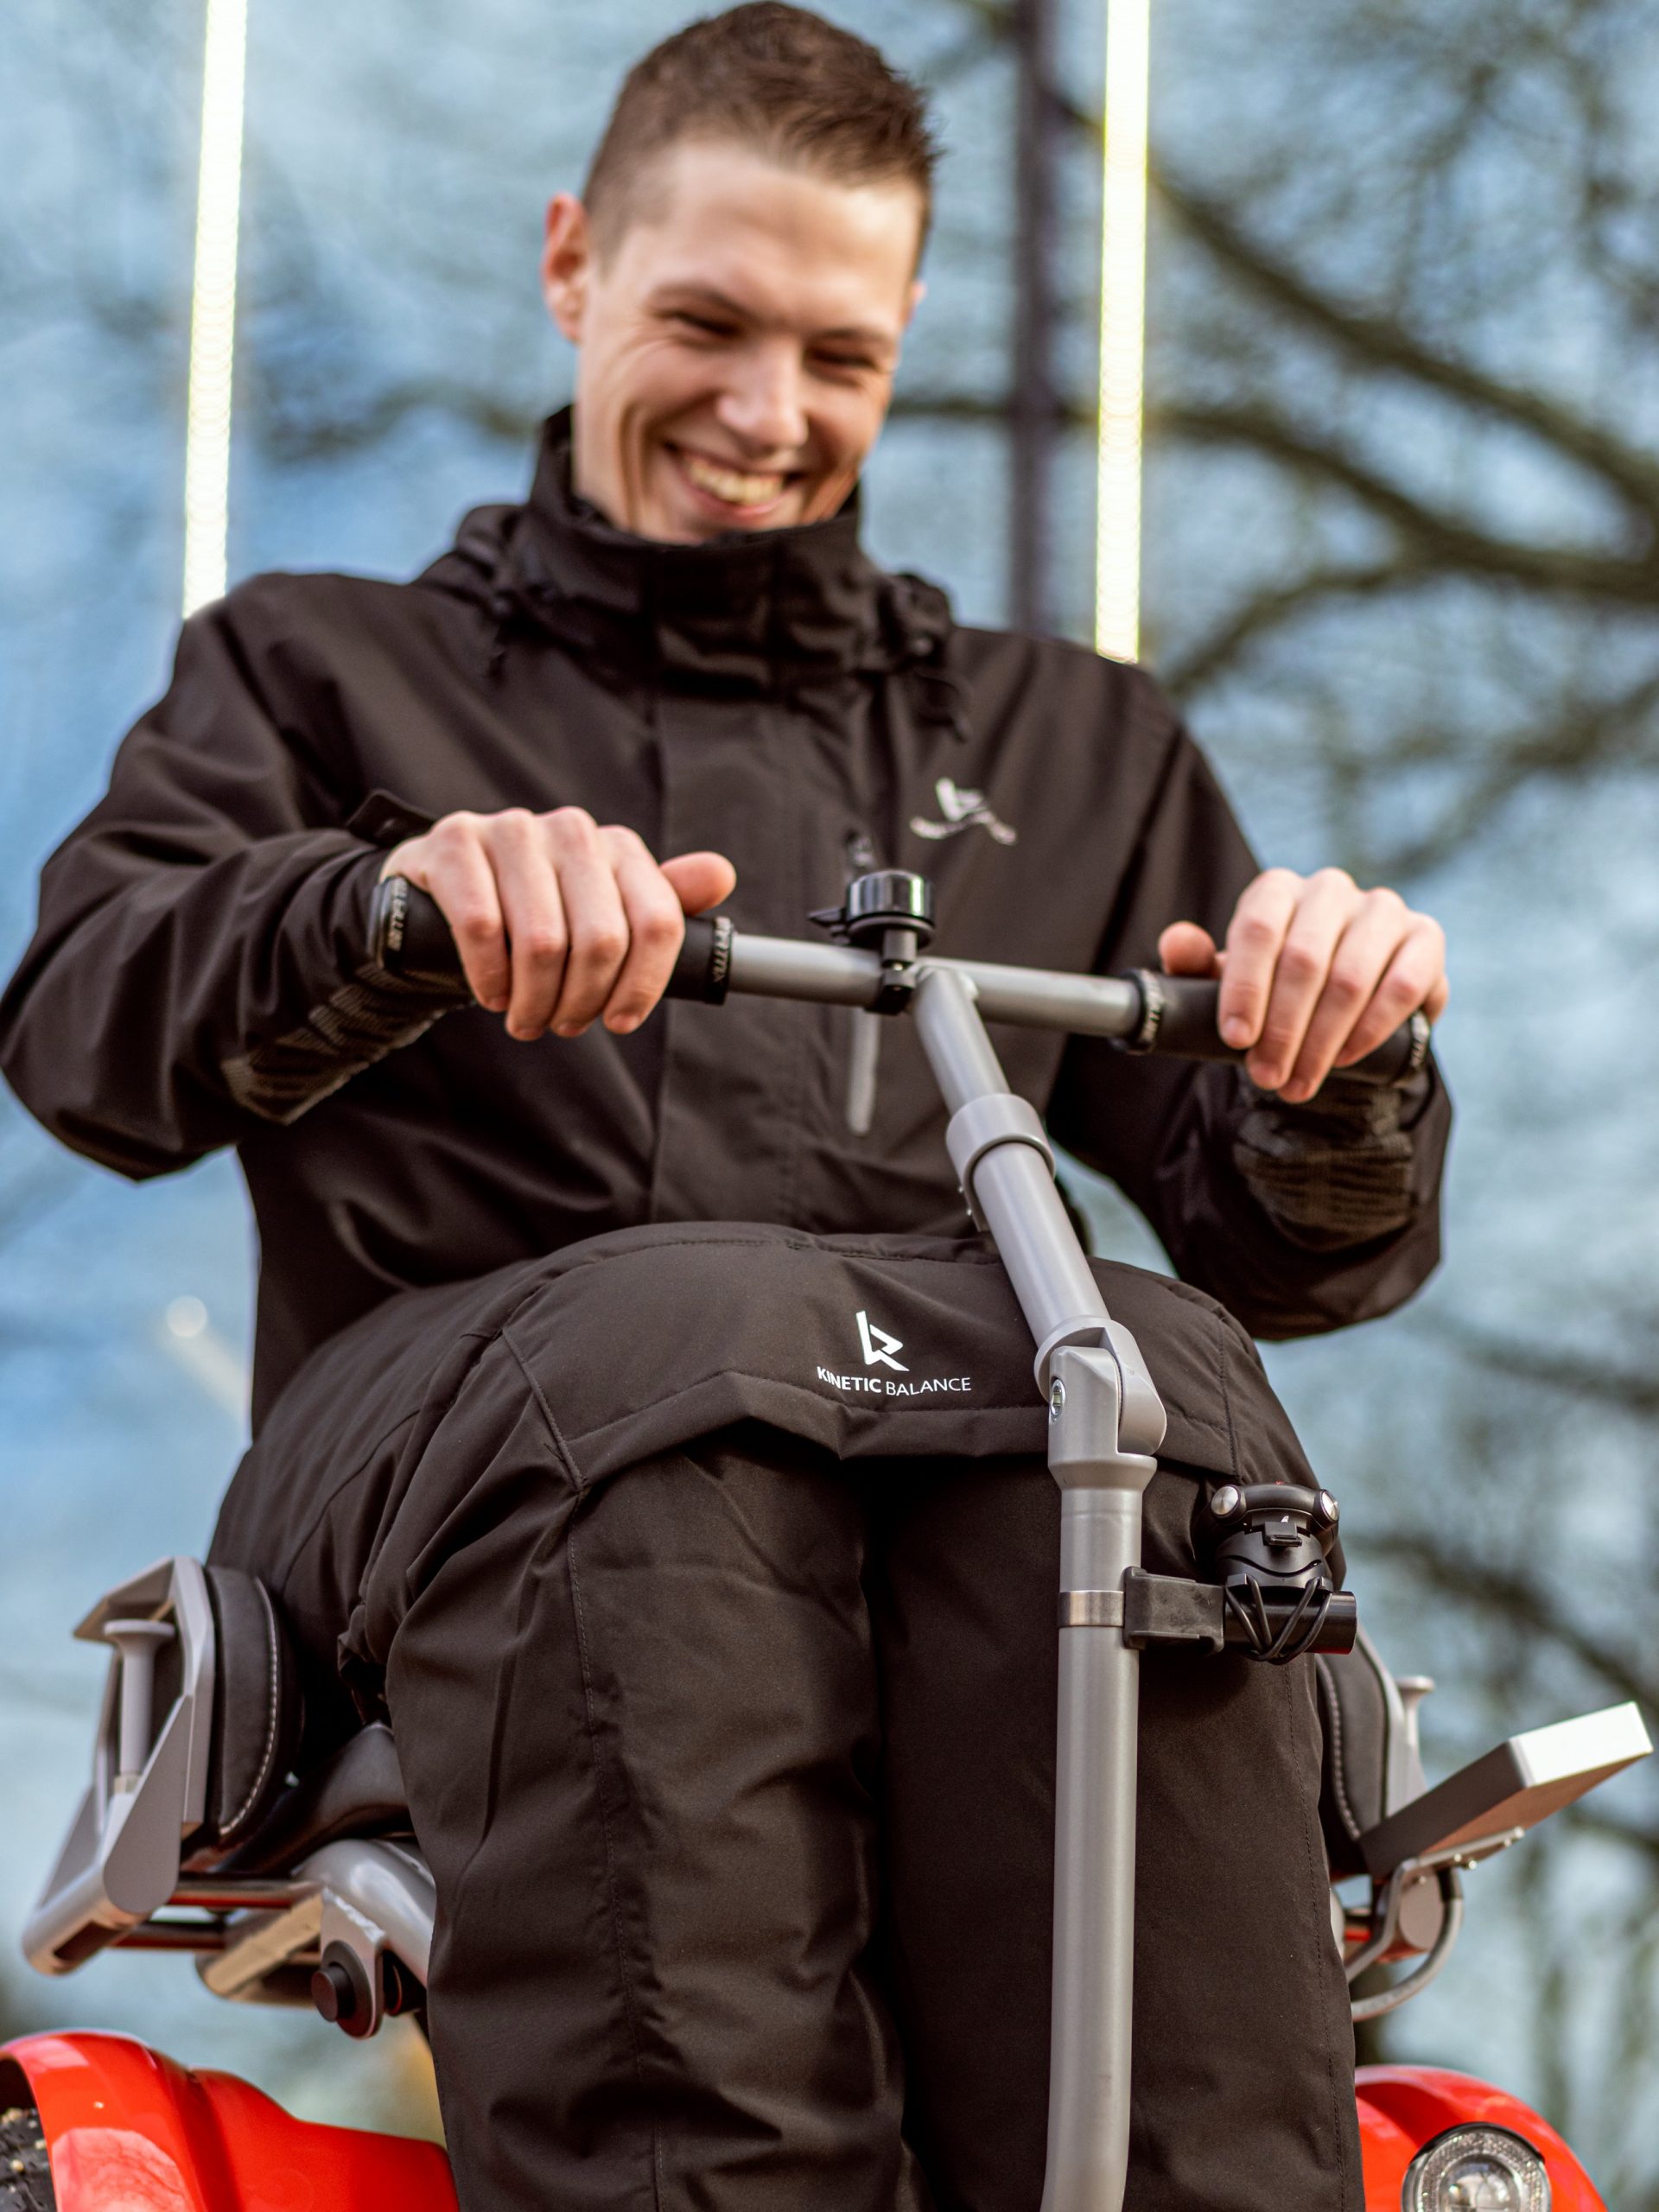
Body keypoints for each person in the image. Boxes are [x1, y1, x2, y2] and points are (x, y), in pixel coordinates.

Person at [0, 9, 1451, 2209]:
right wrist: (384, 909)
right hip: (482, 1475)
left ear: (907, 343)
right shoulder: (318, 669)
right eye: (708, 321)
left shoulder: (1077, 744)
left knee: (1154, 1380)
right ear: (574, 263)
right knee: (676, 1373)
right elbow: (93, 1034)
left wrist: (1340, 1067)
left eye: (841, 355)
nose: (770, 416)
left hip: (947, 1443)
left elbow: (1295, 1244)